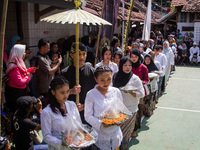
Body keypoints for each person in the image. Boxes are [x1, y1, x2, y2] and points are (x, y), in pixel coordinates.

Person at [84, 66, 123, 150]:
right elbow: (88, 116)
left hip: (115, 133)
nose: (106, 82)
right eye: (102, 80)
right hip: (100, 135)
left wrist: (120, 120)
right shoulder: (91, 94)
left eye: (109, 79)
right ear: (96, 79)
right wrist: (101, 124)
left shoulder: (116, 91)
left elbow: (121, 110)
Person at [41, 76, 82, 150]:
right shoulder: (47, 112)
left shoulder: (72, 105)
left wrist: (80, 138)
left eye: (67, 91)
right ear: (53, 92)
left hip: (75, 146)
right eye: (62, 92)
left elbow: (79, 125)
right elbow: (46, 136)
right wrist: (62, 143)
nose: (66, 95)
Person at [113, 57, 144, 149]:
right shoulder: (115, 76)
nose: (128, 68)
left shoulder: (135, 78)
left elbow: (142, 93)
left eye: (130, 65)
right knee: (116, 133)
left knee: (125, 134)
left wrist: (132, 92)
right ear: (121, 66)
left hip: (131, 109)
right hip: (117, 109)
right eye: (125, 65)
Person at [61, 42, 96, 124]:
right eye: (79, 54)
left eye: (84, 54)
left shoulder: (92, 71)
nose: (82, 57)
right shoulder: (65, 73)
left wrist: (85, 106)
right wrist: (71, 91)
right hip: (71, 113)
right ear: (72, 55)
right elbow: (58, 94)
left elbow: (97, 91)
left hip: (88, 112)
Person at [5, 44, 37, 112]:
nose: (24, 54)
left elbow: (22, 71)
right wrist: (28, 77)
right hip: (15, 93)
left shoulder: (18, 62)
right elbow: (19, 81)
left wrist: (30, 70)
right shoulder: (13, 66)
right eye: (23, 52)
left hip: (20, 91)